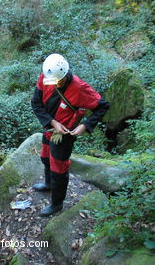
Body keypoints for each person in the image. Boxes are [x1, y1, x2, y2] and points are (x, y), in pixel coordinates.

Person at [31, 53, 110, 217]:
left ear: (66, 75)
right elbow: (36, 103)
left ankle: (57, 203)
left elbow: (102, 106)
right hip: (50, 127)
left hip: (65, 134)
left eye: (58, 81)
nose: (55, 84)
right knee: (45, 158)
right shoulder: (46, 77)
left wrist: (85, 126)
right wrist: (52, 123)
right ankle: (48, 184)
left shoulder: (79, 88)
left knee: (59, 168)